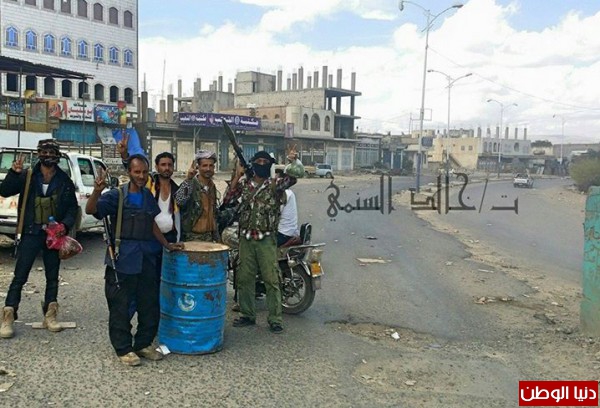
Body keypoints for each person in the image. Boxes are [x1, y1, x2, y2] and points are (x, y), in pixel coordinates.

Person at [85, 154, 183, 366]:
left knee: (149, 303)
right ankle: (123, 348)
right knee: (120, 305)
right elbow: (91, 210)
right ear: (129, 172)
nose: (141, 176)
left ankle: (143, 344)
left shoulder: (147, 195)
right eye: (137, 172)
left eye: (144, 172)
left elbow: (152, 223)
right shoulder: (117, 196)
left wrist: (166, 244)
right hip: (123, 259)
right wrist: (97, 191)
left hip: (147, 258)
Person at [0, 140, 78, 339]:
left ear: (57, 155)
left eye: (51, 152)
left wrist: (64, 225)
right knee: (20, 275)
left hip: (53, 235)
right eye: (44, 152)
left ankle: (50, 315)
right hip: (30, 232)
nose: (47, 155)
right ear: (38, 154)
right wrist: (14, 173)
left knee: (52, 276)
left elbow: (72, 208)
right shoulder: (28, 176)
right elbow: (5, 191)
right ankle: (8, 315)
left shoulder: (64, 180)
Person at [222, 149, 303, 334]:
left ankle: (275, 319)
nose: (261, 165)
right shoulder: (244, 185)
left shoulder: (275, 185)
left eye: (265, 162)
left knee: (271, 279)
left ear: (270, 165)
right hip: (246, 239)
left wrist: (294, 161)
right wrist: (237, 175)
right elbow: (227, 199)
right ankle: (247, 314)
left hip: (266, 239)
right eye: (258, 161)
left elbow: (294, 177)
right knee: (244, 278)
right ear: (252, 164)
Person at [175, 150, 220, 242]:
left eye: (211, 166)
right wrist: (188, 179)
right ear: (198, 167)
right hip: (192, 237)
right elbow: (179, 201)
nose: (208, 169)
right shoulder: (191, 184)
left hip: (209, 237)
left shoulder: (212, 186)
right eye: (204, 165)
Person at [274, 168, 299, 247]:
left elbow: (274, 213)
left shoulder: (285, 194)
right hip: (290, 232)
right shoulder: (289, 192)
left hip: (283, 234)